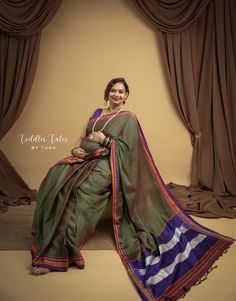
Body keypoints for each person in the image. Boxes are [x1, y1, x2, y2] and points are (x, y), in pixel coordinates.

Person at [31, 77, 234, 301]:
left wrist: (105, 140)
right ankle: (50, 231)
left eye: (121, 91)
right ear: (107, 93)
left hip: (109, 167)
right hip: (85, 160)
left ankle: (64, 249)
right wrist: (76, 150)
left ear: (127, 96)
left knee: (81, 191)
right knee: (56, 177)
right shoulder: (96, 113)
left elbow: (131, 151)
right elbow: (80, 139)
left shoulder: (128, 118)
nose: (116, 94)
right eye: (113, 90)